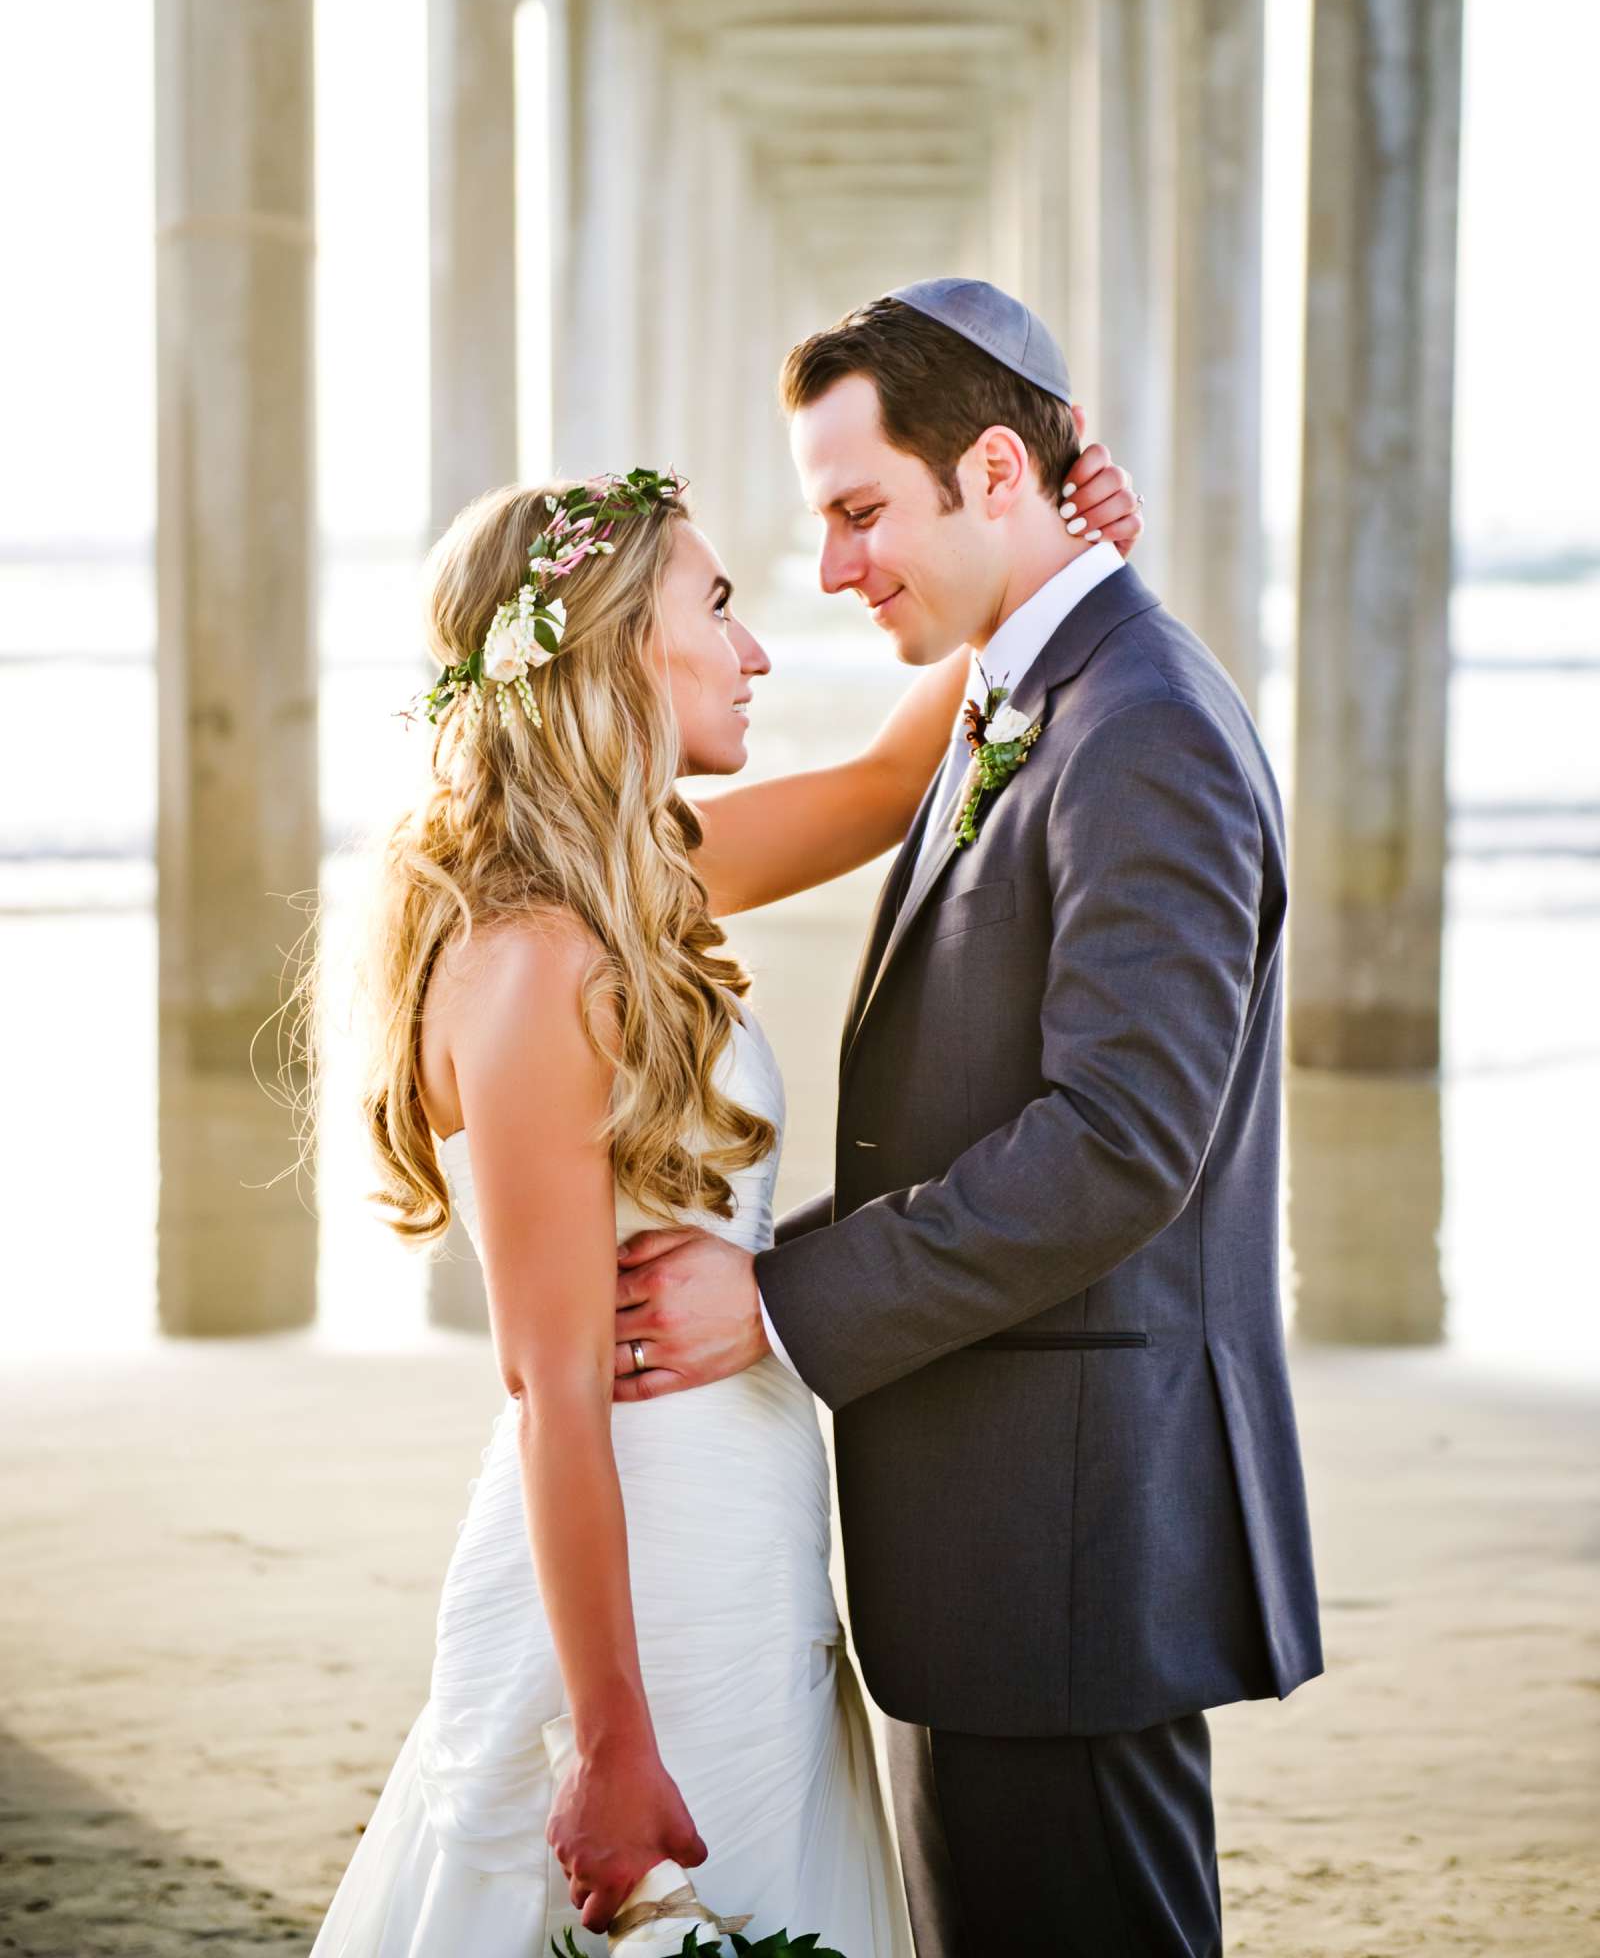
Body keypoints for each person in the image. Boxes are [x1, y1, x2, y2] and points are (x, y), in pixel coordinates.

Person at [307, 431, 1145, 1956]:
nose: (757, 648)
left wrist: (1056, 565)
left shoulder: (636, 879)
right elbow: (552, 1390)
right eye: (721, 606)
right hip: (650, 1579)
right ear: (623, 648)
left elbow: (901, 778)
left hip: (748, 1534)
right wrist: (616, 1743)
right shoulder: (535, 960)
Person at [611, 281, 1324, 1958]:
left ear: (996, 473)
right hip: (1006, 1533)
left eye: (863, 514)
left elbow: (1122, 1145)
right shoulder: (1040, 693)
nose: (838, 569)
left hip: (1065, 1537)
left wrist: (781, 1300)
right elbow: (879, 790)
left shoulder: (1141, 729)